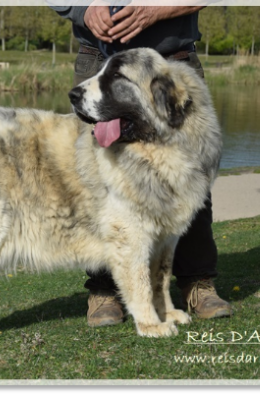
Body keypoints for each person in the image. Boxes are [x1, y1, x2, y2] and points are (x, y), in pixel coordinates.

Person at [52, 2, 232, 326]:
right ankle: (103, 291)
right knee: (99, 189)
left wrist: (159, 8)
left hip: (168, 63)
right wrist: (82, 9)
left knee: (190, 183)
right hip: (98, 56)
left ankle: (197, 283)